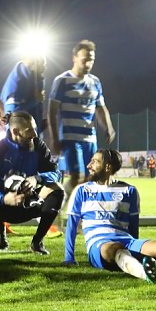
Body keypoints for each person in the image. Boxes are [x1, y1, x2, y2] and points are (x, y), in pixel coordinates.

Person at [63, 149, 156, 284]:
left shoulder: (129, 191)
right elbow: (72, 225)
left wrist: (137, 248)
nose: (89, 166)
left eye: (94, 162)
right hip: (99, 244)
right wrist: (69, 258)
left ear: (108, 167)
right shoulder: (82, 191)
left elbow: (133, 226)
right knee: (113, 248)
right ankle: (146, 275)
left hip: (127, 241)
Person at [0, 111, 64, 255]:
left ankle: (37, 242)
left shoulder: (38, 146)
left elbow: (56, 173)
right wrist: (3, 199)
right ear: (15, 131)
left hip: (31, 201)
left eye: (35, 128)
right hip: (3, 205)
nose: (34, 134)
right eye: (29, 130)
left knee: (57, 189)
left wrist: (37, 179)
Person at [47, 40, 115, 212]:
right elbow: (51, 111)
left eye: (91, 59)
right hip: (70, 138)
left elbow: (101, 108)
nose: (88, 63)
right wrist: (54, 138)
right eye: (85, 59)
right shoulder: (62, 81)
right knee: (77, 176)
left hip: (90, 139)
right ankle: (56, 211)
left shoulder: (95, 82)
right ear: (74, 58)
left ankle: (76, 217)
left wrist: (108, 127)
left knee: (90, 179)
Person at [0, 55, 46, 134]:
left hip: (31, 138)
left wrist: (40, 126)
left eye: (43, 64)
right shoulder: (17, 81)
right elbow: (13, 115)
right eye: (39, 63)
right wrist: (36, 101)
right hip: (21, 139)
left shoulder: (35, 79)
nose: (43, 67)